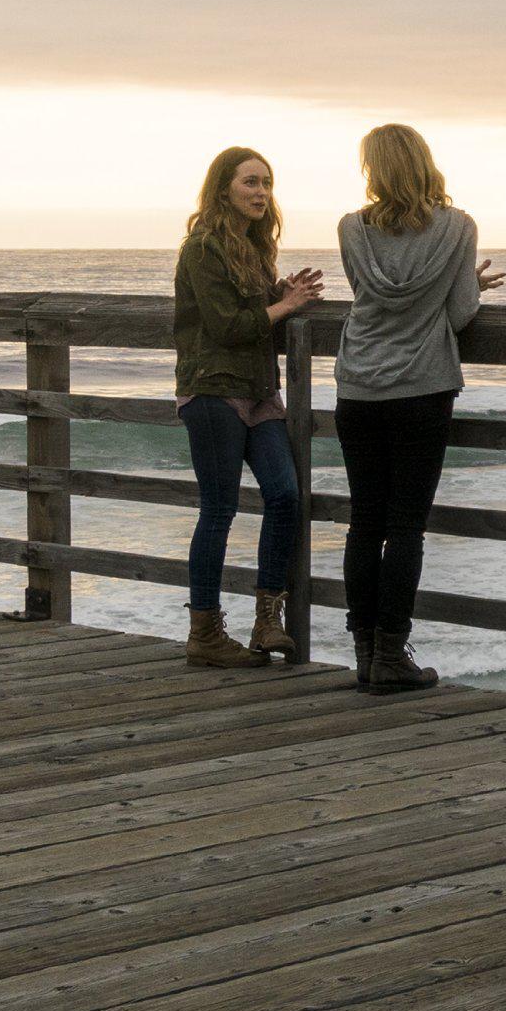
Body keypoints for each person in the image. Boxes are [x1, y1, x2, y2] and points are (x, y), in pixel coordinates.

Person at [330, 121, 501, 693]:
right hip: (422, 389)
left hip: (358, 386)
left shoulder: (351, 229)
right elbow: (457, 314)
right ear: (424, 162)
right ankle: (389, 656)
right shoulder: (458, 227)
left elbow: (368, 296)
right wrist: (463, 286)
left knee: (364, 521)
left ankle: (362, 652)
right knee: (406, 527)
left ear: (374, 170)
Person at [171, 146, 322, 668]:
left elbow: (249, 312)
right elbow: (225, 326)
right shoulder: (202, 249)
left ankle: (267, 621)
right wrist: (285, 306)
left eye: (267, 183)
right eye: (250, 183)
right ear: (223, 190)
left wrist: (281, 292)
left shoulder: (253, 250)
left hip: (258, 392)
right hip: (212, 390)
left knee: (285, 496)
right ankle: (205, 633)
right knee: (219, 509)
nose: (261, 193)